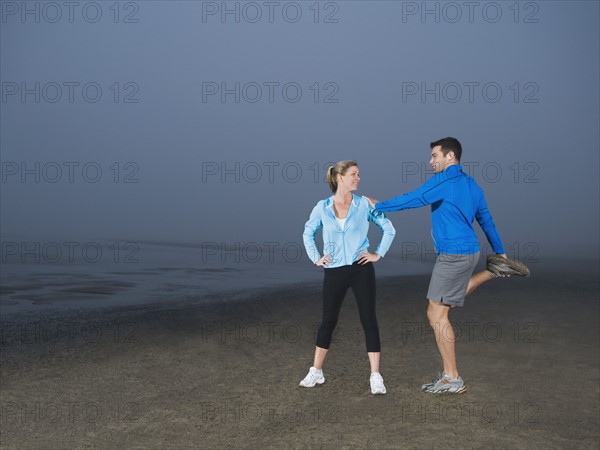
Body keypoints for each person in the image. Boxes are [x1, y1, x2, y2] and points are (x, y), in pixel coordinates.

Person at [367, 137, 530, 394]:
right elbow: (486, 220)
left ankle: (452, 378)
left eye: (434, 156)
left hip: (453, 253)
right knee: (448, 300)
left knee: (436, 313)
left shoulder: (445, 181)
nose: (431, 161)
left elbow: (416, 198)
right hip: (470, 252)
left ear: (450, 156)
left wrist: (379, 206)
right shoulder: (472, 185)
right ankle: (493, 269)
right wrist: (500, 251)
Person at [301, 160, 396, 394]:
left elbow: (389, 228)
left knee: (368, 319)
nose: (358, 178)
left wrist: (377, 254)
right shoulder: (322, 207)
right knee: (328, 321)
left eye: (359, 174)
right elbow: (308, 232)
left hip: (360, 268)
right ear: (340, 177)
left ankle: (375, 376)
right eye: (354, 174)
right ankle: (317, 371)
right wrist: (316, 257)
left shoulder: (364, 204)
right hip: (334, 270)